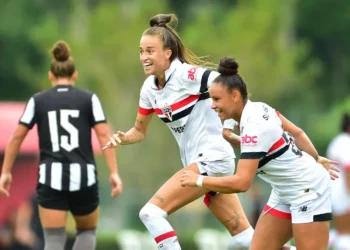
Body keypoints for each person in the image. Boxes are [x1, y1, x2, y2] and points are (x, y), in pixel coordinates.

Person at [103, 14, 295, 250]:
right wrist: (123, 138)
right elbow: (139, 132)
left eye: (150, 51)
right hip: (200, 165)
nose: (144, 57)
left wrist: (228, 128)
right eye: (141, 51)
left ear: (168, 53)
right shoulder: (149, 89)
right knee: (247, 239)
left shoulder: (187, 75)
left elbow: (232, 87)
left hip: (212, 159)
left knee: (151, 214)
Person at [180, 57, 339, 250]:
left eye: (216, 99)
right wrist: (316, 158)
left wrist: (199, 181)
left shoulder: (255, 126)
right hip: (284, 192)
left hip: (308, 190)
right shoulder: (259, 108)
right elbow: (296, 132)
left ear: (235, 96)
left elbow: (242, 182)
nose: (212, 105)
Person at [0, 41, 123, 250]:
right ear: (74, 76)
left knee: (54, 239)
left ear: (50, 76)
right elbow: (104, 135)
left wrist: (6, 171)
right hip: (83, 175)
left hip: (51, 176)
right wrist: (114, 173)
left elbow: (17, 137)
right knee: (86, 234)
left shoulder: (38, 101)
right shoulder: (89, 99)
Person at [326, 113, 350, 250]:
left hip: (335, 191)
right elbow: (348, 170)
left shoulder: (337, 141)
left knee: (343, 232)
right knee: (346, 233)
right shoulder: (346, 142)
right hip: (343, 193)